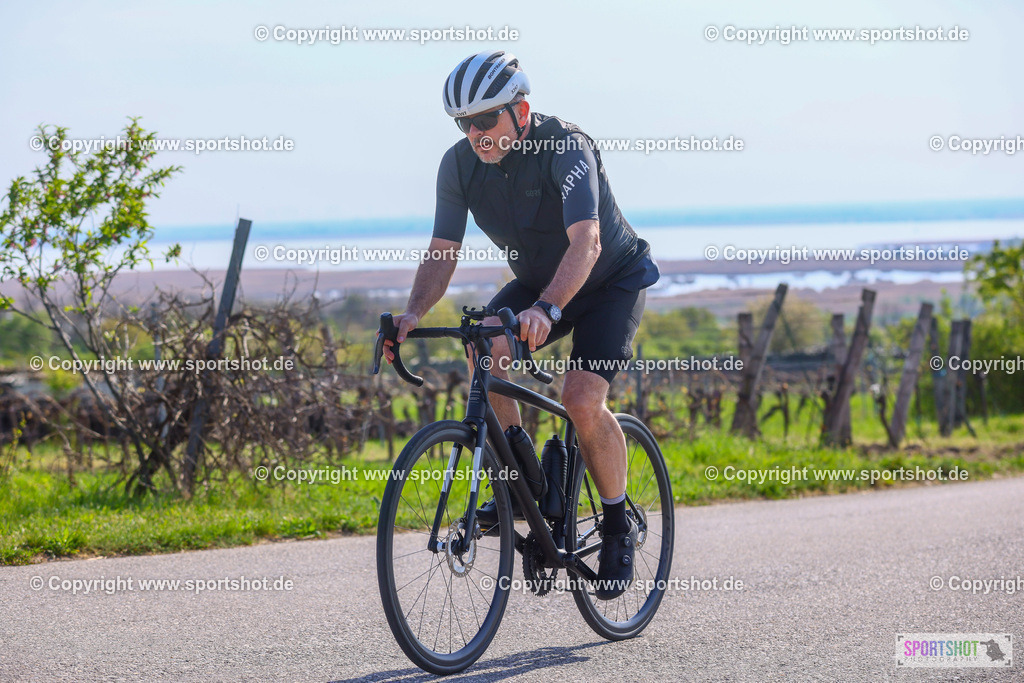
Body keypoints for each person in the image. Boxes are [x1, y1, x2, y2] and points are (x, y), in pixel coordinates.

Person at [382, 50, 660, 600]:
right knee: (483, 345)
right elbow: (442, 252)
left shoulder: (565, 146)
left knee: (582, 400)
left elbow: (588, 242)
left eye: (486, 120)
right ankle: (523, 484)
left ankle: (614, 524)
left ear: (521, 110)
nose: (476, 133)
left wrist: (549, 309)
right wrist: (413, 313)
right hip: (540, 280)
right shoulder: (458, 165)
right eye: (465, 123)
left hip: (609, 282)